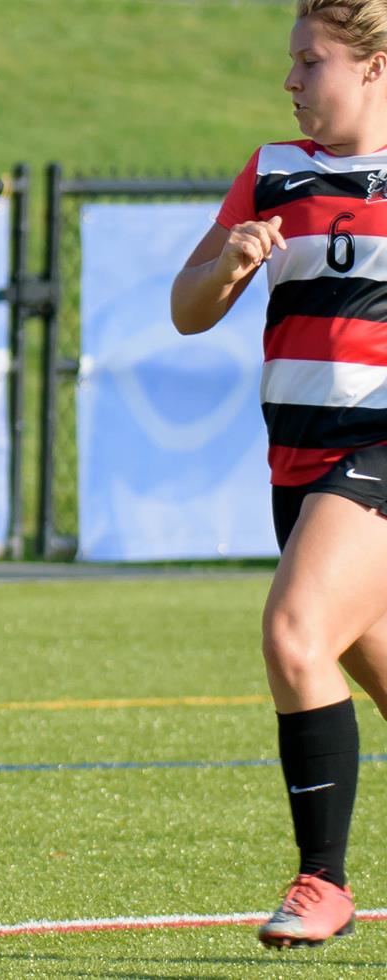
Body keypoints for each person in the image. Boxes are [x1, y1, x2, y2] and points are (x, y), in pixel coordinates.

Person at [171, 0, 387, 950]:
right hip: (296, 466)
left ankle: (323, 884)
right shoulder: (271, 172)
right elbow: (185, 309)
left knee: (295, 632)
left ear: (375, 67)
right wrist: (228, 262)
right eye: (292, 63)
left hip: (375, 456)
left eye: (311, 62)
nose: (292, 81)